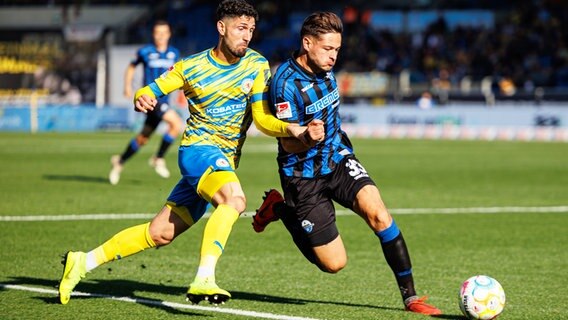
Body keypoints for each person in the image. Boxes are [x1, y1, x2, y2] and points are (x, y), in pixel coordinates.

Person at [59, 0, 319, 306]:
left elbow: (261, 119)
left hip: (220, 163)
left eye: (251, 29)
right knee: (234, 200)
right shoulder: (190, 67)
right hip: (198, 151)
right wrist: (142, 97)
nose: (247, 36)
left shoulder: (257, 65)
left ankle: (83, 261)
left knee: (159, 234)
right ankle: (204, 278)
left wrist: (294, 129)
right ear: (221, 28)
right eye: (240, 28)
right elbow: (151, 89)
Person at [252, 12, 442, 316]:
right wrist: (305, 137)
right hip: (303, 175)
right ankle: (279, 208)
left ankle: (411, 298)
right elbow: (287, 141)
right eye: (328, 49)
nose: (333, 57)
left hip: (338, 158)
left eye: (337, 50)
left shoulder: (326, 71)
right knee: (334, 264)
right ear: (307, 43)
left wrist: (328, 141)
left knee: (379, 214)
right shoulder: (284, 84)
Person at [109, 20, 183, 185]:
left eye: (164, 33)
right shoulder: (145, 52)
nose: (161, 36)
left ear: (169, 34)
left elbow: (178, 76)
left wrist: (181, 93)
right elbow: (131, 67)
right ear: (153, 35)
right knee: (176, 124)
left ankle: (120, 161)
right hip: (150, 100)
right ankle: (158, 158)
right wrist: (127, 86)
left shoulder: (174, 53)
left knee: (143, 138)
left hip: (165, 101)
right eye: (158, 33)